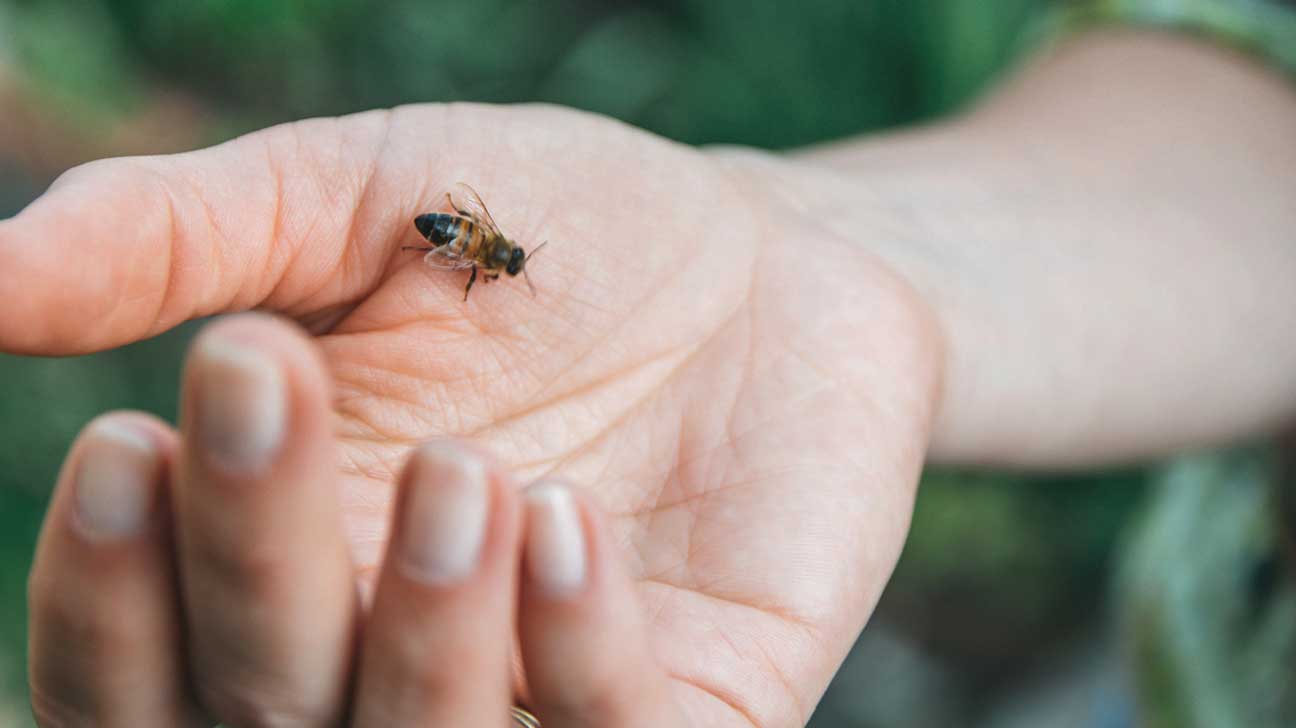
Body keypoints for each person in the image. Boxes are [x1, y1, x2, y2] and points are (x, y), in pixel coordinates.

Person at [8, 6, 1295, 727]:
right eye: (495, 257)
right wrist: (821, 255)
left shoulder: (480, 250)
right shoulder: (475, 244)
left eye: (490, 257)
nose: (492, 261)